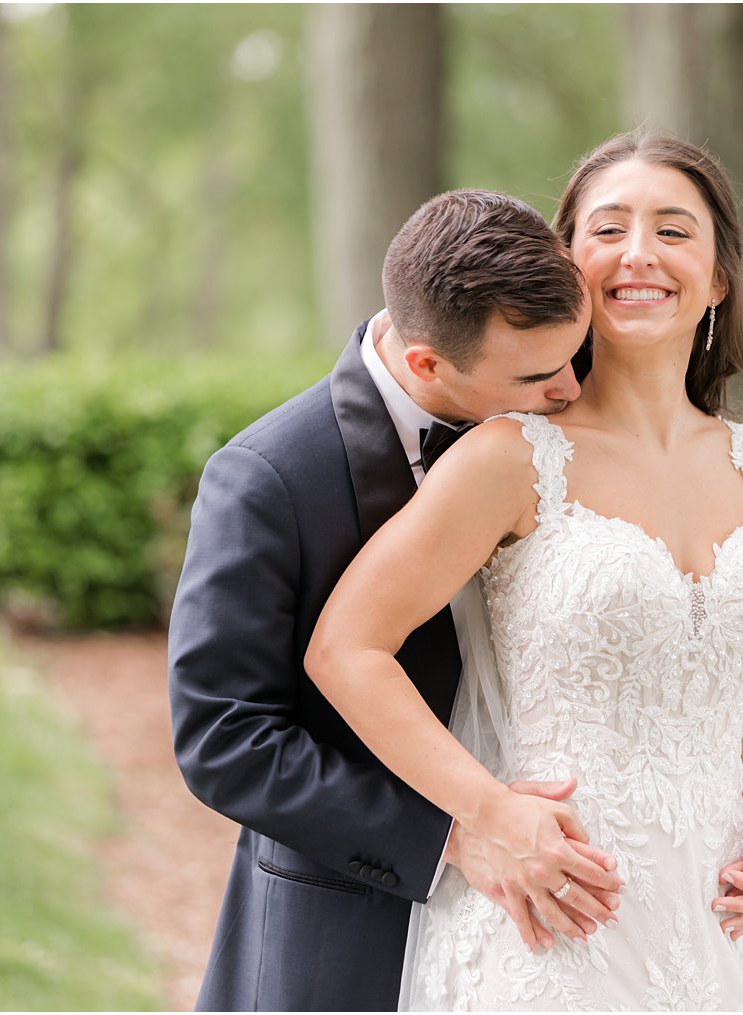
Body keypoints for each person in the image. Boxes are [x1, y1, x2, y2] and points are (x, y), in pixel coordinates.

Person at [305, 134, 743, 1011]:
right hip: (553, 934)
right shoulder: (511, 458)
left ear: (720, 275)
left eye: (674, 230)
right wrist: (486, 813)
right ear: (569, 260)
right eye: (609, 228)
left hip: (710, 940)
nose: (639, 254)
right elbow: (347, 647)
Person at [171, 189, 669, 1011]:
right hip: (346, 925)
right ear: (428, 363)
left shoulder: (561, 445)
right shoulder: (268, 479)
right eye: (539, 375)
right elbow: (224, 738)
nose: (572, 390)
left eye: (576, 357)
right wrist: (450, 835)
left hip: (555, 934)